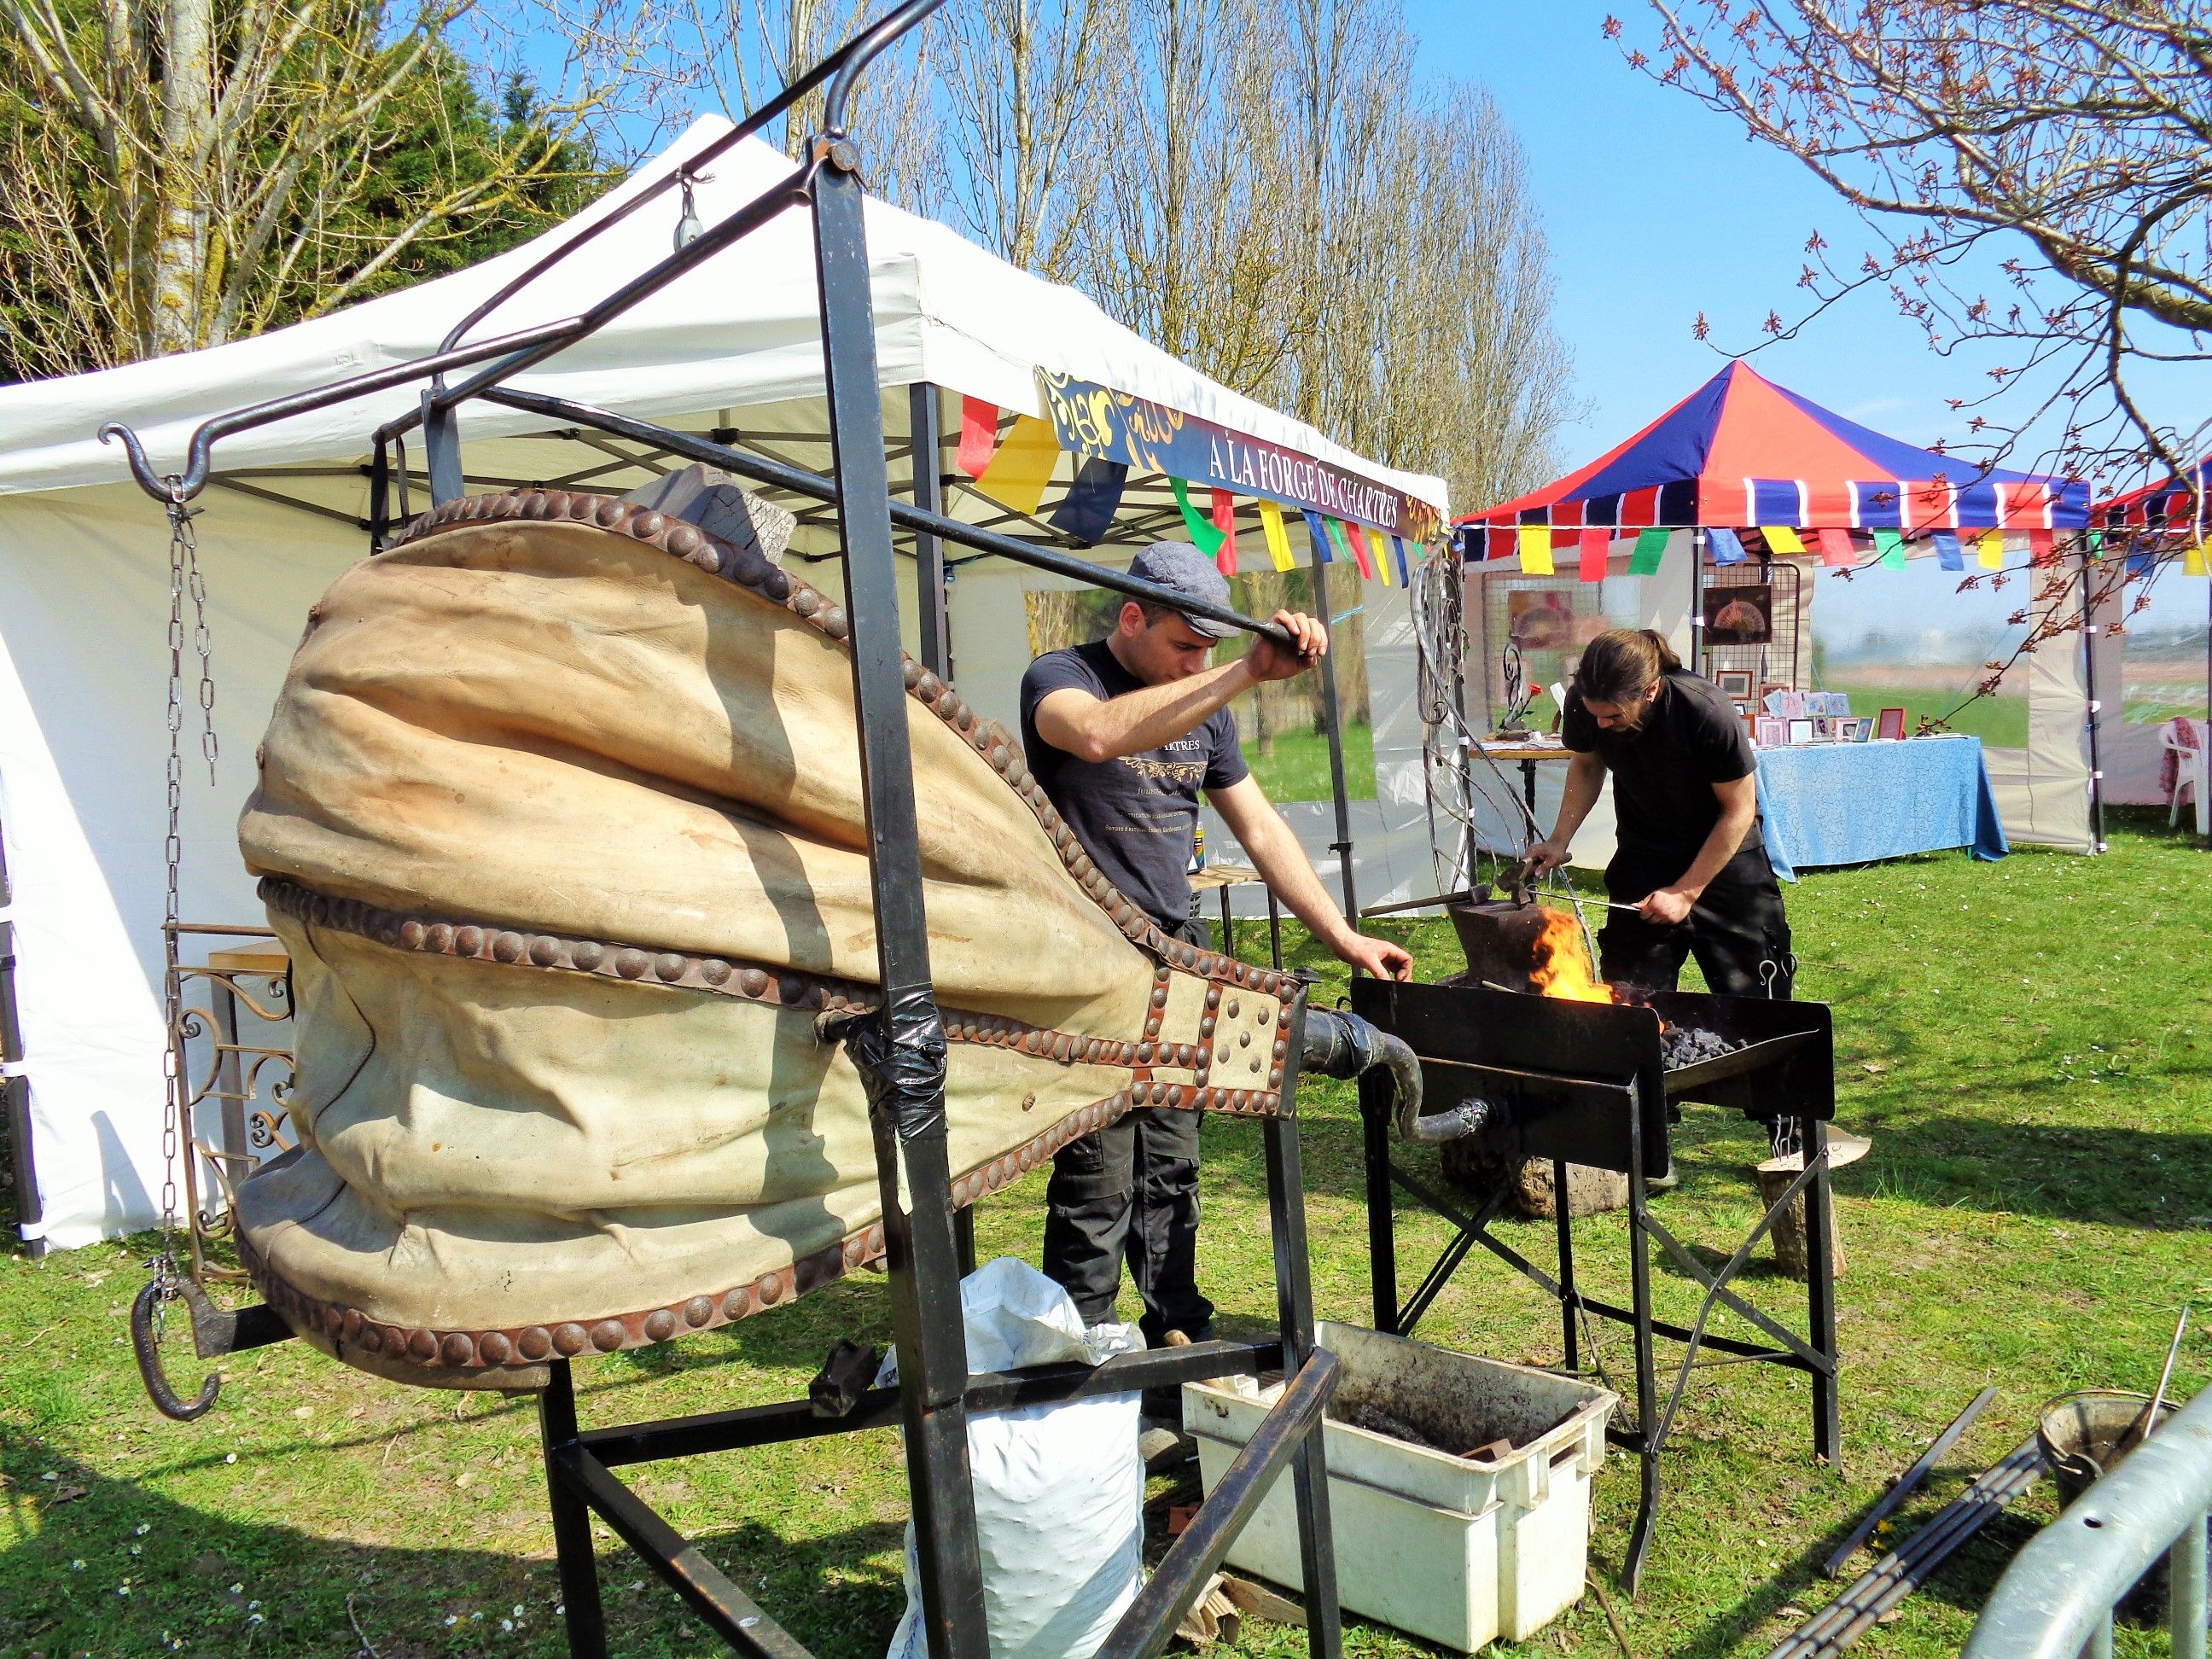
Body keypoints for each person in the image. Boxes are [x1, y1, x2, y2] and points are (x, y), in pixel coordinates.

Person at [1020, 541, 1412, 1348]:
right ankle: (1083, 1349)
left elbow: (1261, 829)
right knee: (1098, 1172)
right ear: (1133, 616)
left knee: (1172, 1161)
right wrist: (1241, 672)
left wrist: (1341, 935)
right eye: (1185, 646)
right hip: (1090, 956)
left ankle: (1178, 1331)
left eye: (1211, 649)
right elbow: (1092, 737)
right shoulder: (1062, 677)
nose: (1199, 663)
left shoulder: (1210, 709)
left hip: (1177, 957)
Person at [1528, 628, 1792, 1001]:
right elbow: (1587, 766)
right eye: (1594, 714)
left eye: (1614, 715)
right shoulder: (1585, 704)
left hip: (1727, 859)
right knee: (1631, 999)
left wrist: (1685, 892)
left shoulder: (1706, 710)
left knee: (1755, 1001)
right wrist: (1559, 840)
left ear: (1650, 690)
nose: (1601, 724)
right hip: (1643, 855)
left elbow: (1739, 809)